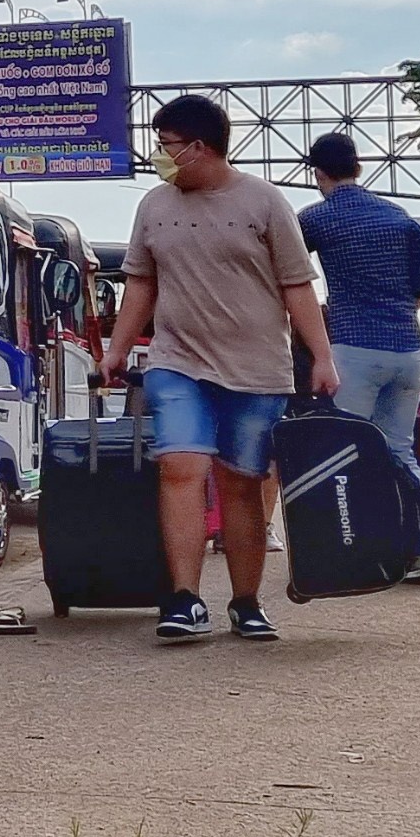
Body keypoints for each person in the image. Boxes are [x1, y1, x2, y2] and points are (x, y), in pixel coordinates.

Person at [100, 95, 338, 645]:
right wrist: (116, 350)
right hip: (177, 363)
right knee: (180, 467)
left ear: (199, 148)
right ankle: (183, 599)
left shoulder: (264, 202)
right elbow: (141, 282)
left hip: (256, 370)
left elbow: (297, 285)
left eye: (167, 146)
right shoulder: (154, 206)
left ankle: (246, 602)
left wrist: (321, 356)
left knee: (241, 483)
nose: (160, 157)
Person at [298, 133, 420, 584]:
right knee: (399, 448)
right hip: (407, 348)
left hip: (351, 348)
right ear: (358, 166)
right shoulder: (400, 218)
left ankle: (349, 552)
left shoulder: (317, 219)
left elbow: (284, 271)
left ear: (317, 172)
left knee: (343, 454)